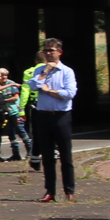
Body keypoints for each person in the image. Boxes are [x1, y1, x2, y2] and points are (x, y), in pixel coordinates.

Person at [27, 38, 78, 202]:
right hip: (43, 115)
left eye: (52, 50)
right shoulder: (40, 70)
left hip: (61, 116)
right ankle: (50, 191)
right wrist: (46, 71)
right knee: (47, 157)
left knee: (66, 156)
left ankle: (69, 191)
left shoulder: (67, 72)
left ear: (59, 52)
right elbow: (33, 86)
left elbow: (69, 94)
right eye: (46, 50)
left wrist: (49, 91)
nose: (49, 53)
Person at [19, 51, 47, 171]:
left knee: (36, 132)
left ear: (36, 60)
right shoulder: (50, 70)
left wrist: (22, 109)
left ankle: (35, 159)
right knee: (51, 130)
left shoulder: (29, 72)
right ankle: (54, 153)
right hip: (49, 104)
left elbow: (25, 91)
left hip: (35, 105)